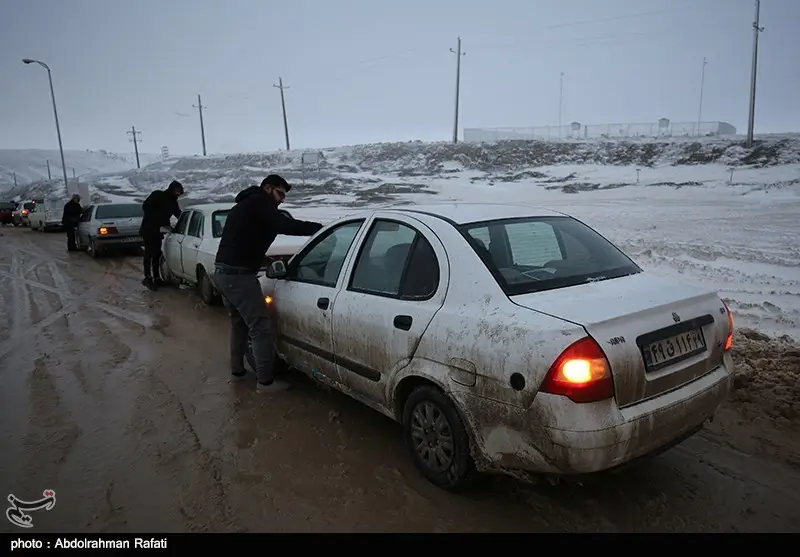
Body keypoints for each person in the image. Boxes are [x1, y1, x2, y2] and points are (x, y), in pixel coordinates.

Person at [214, 174, 323, 393]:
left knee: (239, 323)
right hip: (239, 276)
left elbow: (247, 237)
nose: (282, 200)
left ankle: (237, 370)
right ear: (267, 188)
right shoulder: (259, 202)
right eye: (280, 194)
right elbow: (285, 225)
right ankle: (265, 382)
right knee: (261, 327)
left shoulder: (246, 205)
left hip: (224, 273)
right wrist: (320, 228)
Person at [139, 180, 184, 290]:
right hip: (149, 229)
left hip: (158, 231)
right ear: (172, 189)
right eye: (177, 191)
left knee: (157, 254)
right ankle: (147, 278)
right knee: (149, 253)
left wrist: (184, 222)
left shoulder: (173, 202)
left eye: (179, 191)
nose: (178, 193)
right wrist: (158, 220)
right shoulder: (157, 195)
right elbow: (146, 206)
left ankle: (157, 277)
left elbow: (178, 214)